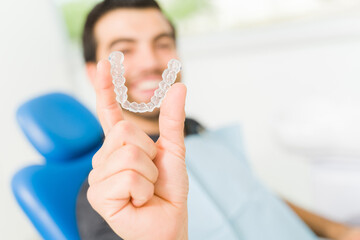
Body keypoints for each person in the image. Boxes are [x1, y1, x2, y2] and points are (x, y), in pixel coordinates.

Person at [76, 0, 360, 239]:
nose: (150, 61)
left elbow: (256, 193)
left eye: (162, 43)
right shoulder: (112, 192)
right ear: (93, 72)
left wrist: (341, 231)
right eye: (123, 50)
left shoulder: (197, 130)